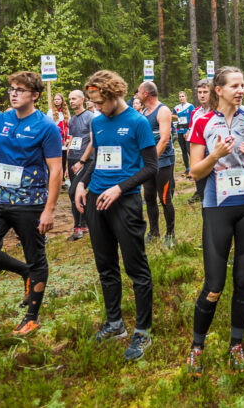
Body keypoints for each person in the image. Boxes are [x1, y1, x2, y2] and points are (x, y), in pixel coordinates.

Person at [185, 66, 244, 376]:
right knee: (215, 283)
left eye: (242, 85)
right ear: (217, 90)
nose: (240, 90)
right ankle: (197, 347)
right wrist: (215, 155)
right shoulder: (202, 122)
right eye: (233, 85)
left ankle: (236, 345)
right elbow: (195, 171)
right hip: (217, 206)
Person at [0, 71, 63, 336]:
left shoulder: (47, 126)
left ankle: (32, 316)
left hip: (30, 202)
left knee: (36, 257)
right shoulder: (1, 120)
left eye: (20, 90)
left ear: (34, 95)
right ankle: (24, 273)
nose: (13, 93)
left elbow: (56, 171)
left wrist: (49, 210)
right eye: (12, 88)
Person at [71, 70, 156, 361]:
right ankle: (115, 323)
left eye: (99, 102)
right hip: (96, 200)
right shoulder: (97, 122)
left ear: (114, 95)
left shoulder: (138, 122)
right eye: (92, 103)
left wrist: (120, 188)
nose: (96, 108)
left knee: (136, 267)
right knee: (105, 265)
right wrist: (82, 182)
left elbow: (150, 167)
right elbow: (98, 157)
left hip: (125, 202)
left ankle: (143, 330)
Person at [137, 80, 176, 247]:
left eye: (139, 91)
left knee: (165, 198)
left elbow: (165, 139)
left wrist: (152, 160)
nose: (137, 95)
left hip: (164, 162)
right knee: (149, 197)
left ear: (146, 93)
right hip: (149, 164)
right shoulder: (144, 112)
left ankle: (170, 233)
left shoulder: (163, 110)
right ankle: (154, 232)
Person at [65, 90, 94, 240]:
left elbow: (92, 141)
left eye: (74, 98)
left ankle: (78, 227)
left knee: (72, 191)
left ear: (82, 99)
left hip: (85, 161)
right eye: (69, 99)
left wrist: (82, 161)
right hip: (72, 159)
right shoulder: (72, 120)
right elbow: (71, 140)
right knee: (76, 192)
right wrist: (67, 164)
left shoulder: (90, 117)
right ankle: (85, 224)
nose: (71, 101)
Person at [188, 79, 212, 203]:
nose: (202, 95)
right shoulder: (195, 112)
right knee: (203, 195)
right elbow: (192, 134)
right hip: (200, 157)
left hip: (215, 157)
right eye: (199, 92)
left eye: (205, 92)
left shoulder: (219, 111)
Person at [174, 91, 195, 173]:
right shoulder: (177, 107)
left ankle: (194, 167)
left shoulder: (190, 106)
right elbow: (172, 114)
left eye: (182, 96)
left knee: (189, 149)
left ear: (186, 97)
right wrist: (178, 117)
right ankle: (187, 169)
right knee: (183, 150)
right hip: (180, 130)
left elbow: (194, 117)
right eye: (179, 96)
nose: (181, 98)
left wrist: (190, 130)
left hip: (188, 130)